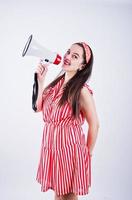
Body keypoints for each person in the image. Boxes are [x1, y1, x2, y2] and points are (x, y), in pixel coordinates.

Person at [34, 42, 100, 200]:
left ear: (82, 65)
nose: (68, 56)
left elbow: (95, 125)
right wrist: (40, 81)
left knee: (68, 196)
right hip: (53, 149)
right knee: (59, 195)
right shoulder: (56, 85)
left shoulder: (82, 91)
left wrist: (87, 153)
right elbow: (38, 108)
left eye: (75, 56)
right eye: (68, 52)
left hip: (69, 151)